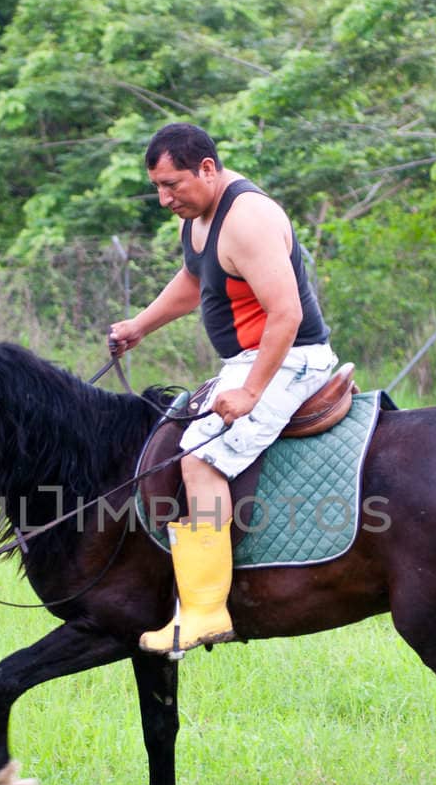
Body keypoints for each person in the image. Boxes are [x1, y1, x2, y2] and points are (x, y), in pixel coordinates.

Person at [108, 123, 337, 656]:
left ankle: (207, 612)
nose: (165, 199)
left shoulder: (249, 220)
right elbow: (194, 281)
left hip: (290, 361)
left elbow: (287, 313)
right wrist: (140, 325)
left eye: (173, 185)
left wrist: (252, 393)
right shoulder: (198, 216)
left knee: (200, 458)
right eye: (158, 187)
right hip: (248, 360)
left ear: (207, 169)